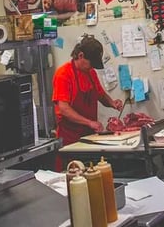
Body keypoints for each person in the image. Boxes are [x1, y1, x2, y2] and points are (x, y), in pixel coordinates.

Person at [52, 34, 123, 169]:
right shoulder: (63, 74)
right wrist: (89, 122)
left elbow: (100, 94)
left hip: (89, 136)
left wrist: (112, 103)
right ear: (81, 56)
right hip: (70, 139)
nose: (92, 68)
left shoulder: (90, 73)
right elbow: (64, 109)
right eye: (91, 63)